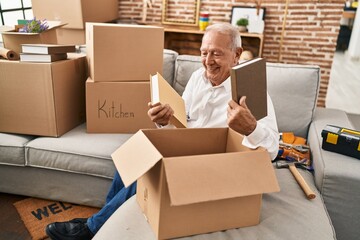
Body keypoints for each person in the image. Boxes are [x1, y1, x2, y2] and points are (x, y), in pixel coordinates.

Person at [45, 22, 279, 240]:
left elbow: (272, 151)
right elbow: (183, 124)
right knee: (134, 152)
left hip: (215, 167)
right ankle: (107, 218)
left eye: (216, 53)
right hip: (187, 153)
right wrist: (164, 121)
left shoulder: (251, 90)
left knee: (150, 168)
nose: (208, 61)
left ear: (236, 55)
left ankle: (90, 229)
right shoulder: (198, 78)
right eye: (204, 52)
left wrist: (251, 128)